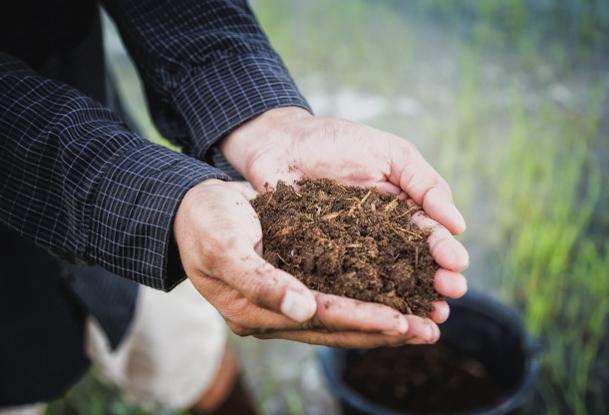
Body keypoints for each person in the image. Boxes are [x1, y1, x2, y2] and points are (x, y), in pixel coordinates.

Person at [0, 0, 469, 413]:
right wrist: (167, 204)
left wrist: (262, 118)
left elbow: (179, 14)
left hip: (110, 154)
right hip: (15, 287)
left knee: (191, 351)